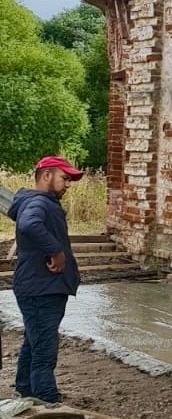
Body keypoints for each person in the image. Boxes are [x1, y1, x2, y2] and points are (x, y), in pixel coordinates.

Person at [8, 156, 82, 404]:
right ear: (46, 176)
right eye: (64, 178)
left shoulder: (39, 202)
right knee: (44, 350)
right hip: (41, 288)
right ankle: (46, 400)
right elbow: (29, 224)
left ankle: (25, 389)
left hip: (39, 286)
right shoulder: (39, 203)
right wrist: (56, 251)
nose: (67, 184)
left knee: (34, 340)